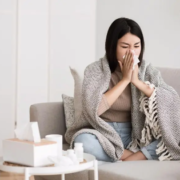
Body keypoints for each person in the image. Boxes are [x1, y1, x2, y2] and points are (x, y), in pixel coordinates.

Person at [65, 17, 180, 162]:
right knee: (83, 142)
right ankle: (131, 157)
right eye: (125, 47)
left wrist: (137, 82)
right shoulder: (95, 70)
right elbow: (93, 109)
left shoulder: (148, 71)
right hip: (102, 133)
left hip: (135, 137)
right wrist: (125, 80)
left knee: (174, 136)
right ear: (112, 46)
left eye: (137, 46)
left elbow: (171, 100)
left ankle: (129, 155)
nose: (132, 52)